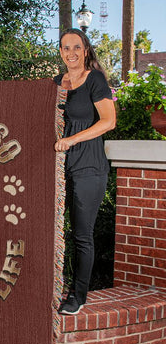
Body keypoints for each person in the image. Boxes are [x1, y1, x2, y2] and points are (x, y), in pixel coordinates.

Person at [54, 28, 116, 315]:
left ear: (86, 50)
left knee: (82, 235)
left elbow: (109, 121)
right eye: (66, 48)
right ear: (61, 52)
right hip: (58, 169)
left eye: (76, 47)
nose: (71, 53)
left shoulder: (95, 80)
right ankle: (51, 287)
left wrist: (71, 140)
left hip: (88, 167)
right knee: (53, 232)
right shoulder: (57, 83)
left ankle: (77, 297)